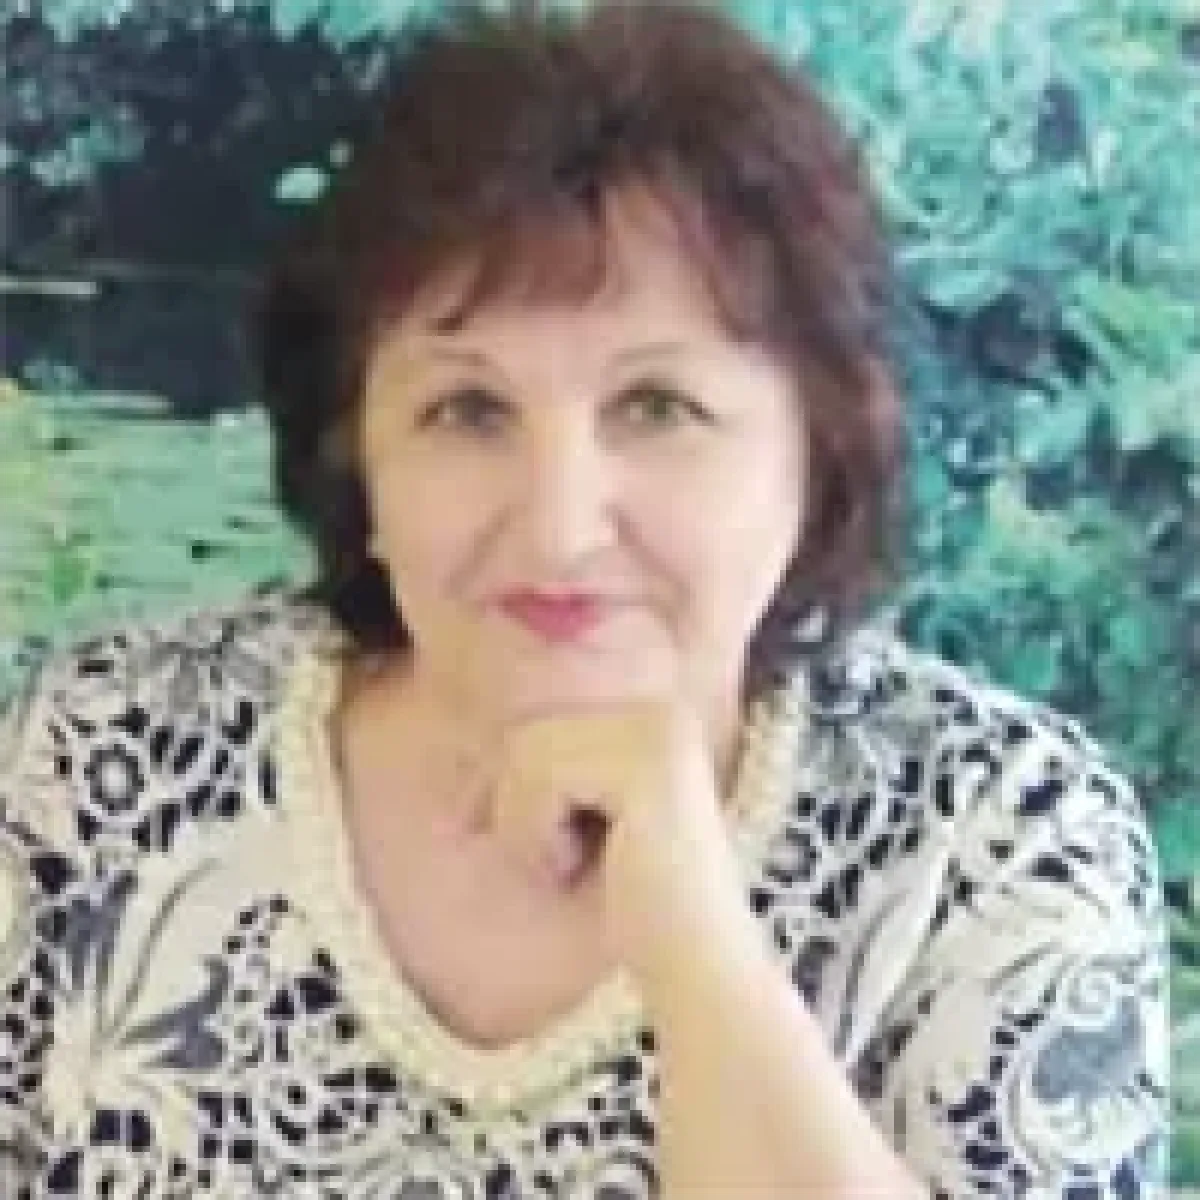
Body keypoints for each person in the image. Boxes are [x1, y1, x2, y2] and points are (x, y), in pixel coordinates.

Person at [0, 0, 1169, 1195]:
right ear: (360, 457)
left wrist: (698, 951)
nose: (560, 529)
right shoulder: (101, 756)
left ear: (816, 452)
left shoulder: (999, 844)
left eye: (658, 408)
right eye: (468, 411)